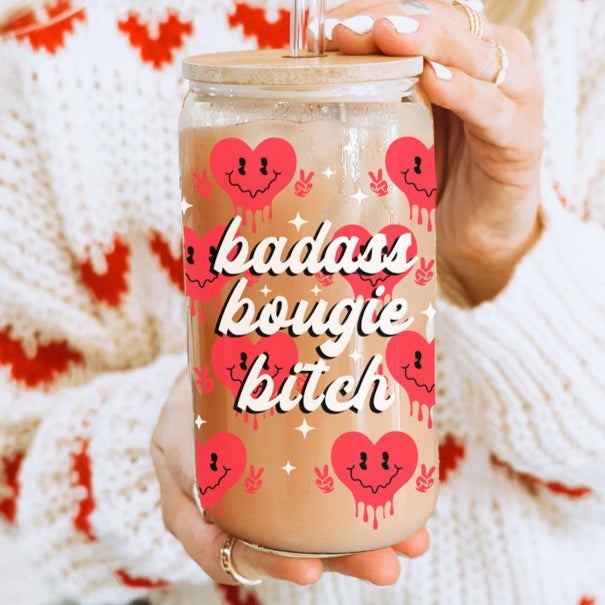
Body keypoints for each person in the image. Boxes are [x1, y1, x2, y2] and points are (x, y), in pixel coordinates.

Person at [0, 0, 603, 604]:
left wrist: (492, 254)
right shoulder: (44, 59)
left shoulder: (571, 24)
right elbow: (19, 485)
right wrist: (180, 436)